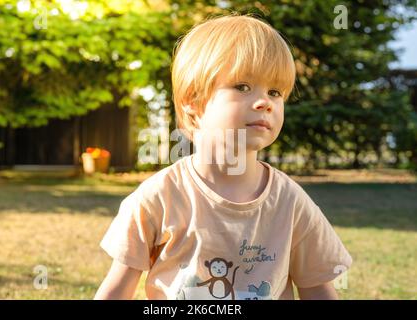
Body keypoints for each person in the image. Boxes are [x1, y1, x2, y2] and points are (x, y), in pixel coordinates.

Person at [95, 13, 352, 300]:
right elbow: (117, 289)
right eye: (243, 86)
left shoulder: (290, 203)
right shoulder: (159, 197)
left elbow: (317, 288)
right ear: (193, 101)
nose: (264, 102)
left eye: (275, 92)